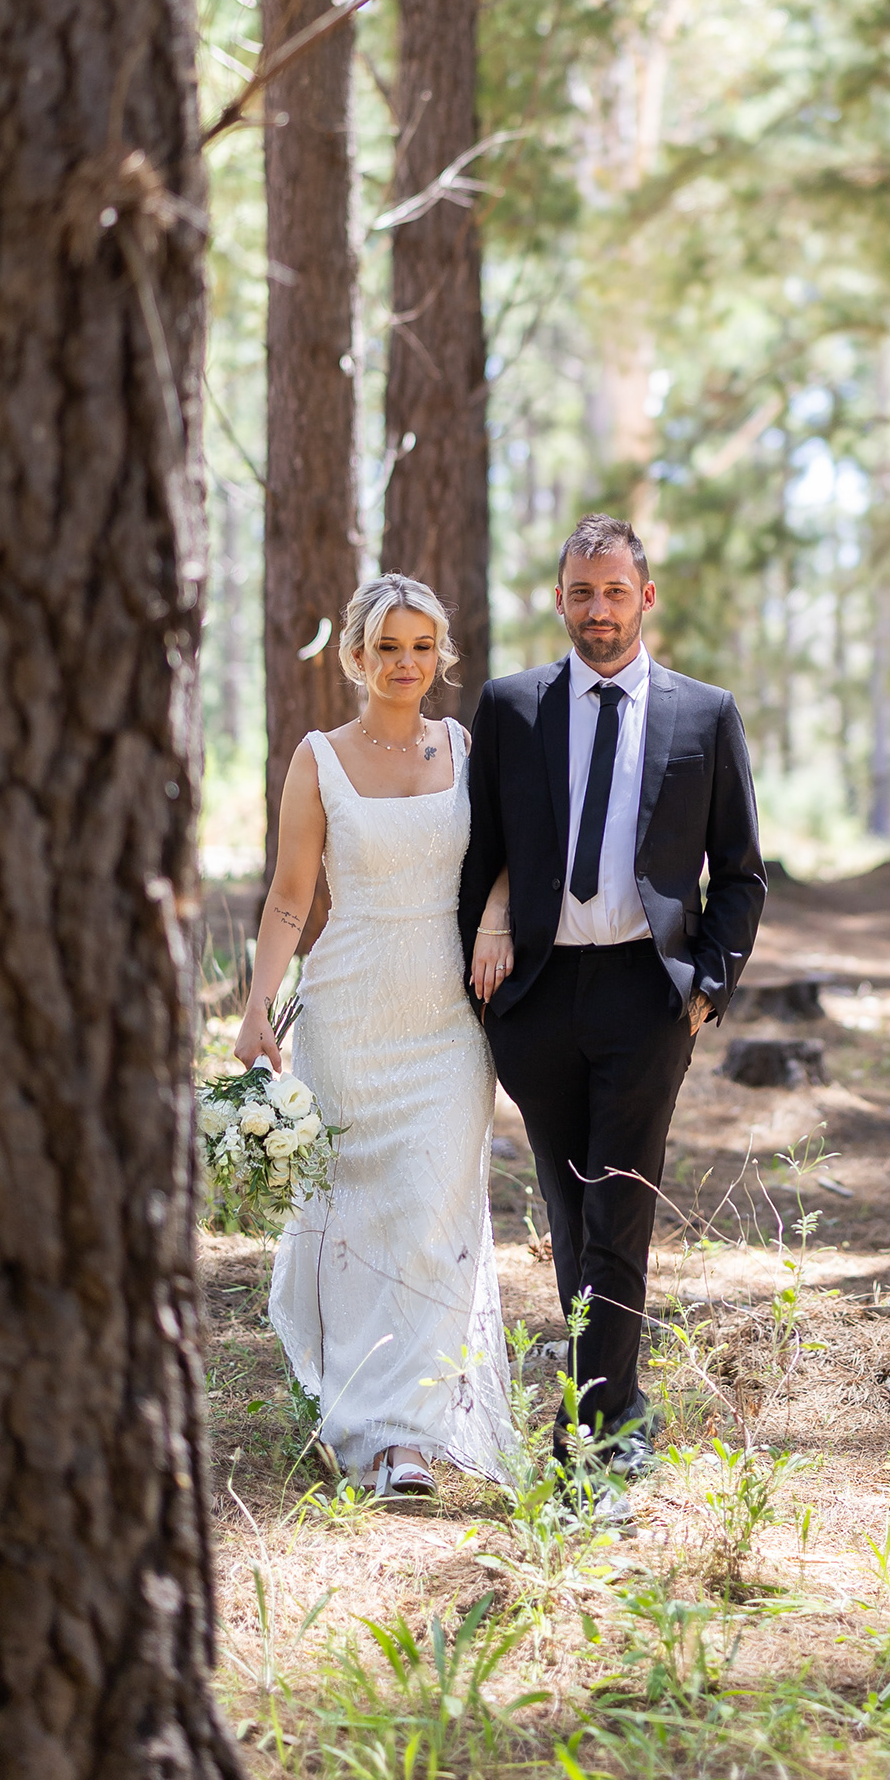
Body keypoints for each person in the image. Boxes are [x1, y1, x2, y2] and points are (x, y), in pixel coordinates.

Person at [460, 514, 765, 1473]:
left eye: (616, 592)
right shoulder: (510, 708)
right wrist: (489, 954)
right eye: (583, 592)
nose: (600, 609)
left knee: (619, 1205)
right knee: (568, 1207)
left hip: (647, 993)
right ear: (559, 598)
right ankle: (617, 1402)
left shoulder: (703, 714)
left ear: (646, 598)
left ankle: (596, 1434)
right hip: (537, 996)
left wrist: (707, 985)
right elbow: (479, 851)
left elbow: (741, 873)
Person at [235, 574, 514, 1498]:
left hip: (448, 1023)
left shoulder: (465, 746)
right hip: (349, 1013)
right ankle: (367, 1419)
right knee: (357, 1222)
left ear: (441, 656)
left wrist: (497, 917)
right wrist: (256, 1006)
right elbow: (290, 896)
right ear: (357, 655)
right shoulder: (318, 758)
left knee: (432, 1216)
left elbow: (506, 858)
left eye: (421, 647)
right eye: (388, 647)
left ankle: (413, 1434)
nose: (405, 663)